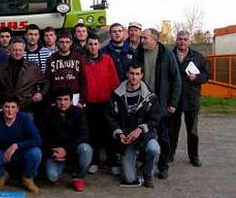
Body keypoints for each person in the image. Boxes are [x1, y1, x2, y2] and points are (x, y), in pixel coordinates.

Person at [136, 28, 181, 179]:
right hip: (142, 103)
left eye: (145, 38)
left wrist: (173, 103)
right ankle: (145, 162)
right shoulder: (138, 53)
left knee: (163, 136)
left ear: (155, 40)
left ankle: (163, 166)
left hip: (160, 103)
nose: (141, 40)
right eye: (142, 38)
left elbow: (176, 80)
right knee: (142, 134)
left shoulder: (167, 55)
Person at [106, 63, 161, 188]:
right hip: (126, 137)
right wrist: (119, 133)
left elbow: (155, 119)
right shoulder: (115, 95)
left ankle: (148, 174)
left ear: (141, 75)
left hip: (144, 134)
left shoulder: (150, 96)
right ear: (126, 74)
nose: (134, 77)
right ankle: (129, 162)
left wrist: (140, 129)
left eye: (137, 74)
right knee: (129, 179)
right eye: (131, 73)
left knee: (154, 148)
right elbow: (110, 118)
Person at [0, 96, 42, 193]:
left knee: (36, 153)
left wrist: (17, 146)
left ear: (17, 109)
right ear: (2, 108)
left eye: (13, 107)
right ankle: (2, 175)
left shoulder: (25, 119)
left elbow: (37, 140)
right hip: (1, 152)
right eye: (7, 107)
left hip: (21, 152)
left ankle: (28, 179)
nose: (10, 110)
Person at [38, 88, 93, 192]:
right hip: (55, 152)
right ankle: (64, 167)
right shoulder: (47, 114)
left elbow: (84, 135)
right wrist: (51, 151)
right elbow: (41, 136)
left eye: (66, 99)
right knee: (52, 176)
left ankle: (78, 177)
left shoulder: (79, 113)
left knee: (86, 149)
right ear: (55, 101)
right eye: (59, 99)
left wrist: (66, 150)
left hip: (73, 149)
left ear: (71, 101)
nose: (62, 102)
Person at [169, 30, 210, 167]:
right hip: (174, 99)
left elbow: (206, 75)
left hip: (191, 98)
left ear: (189, 41)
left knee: (192, 131)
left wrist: (196, 78)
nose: (182, 42)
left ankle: (194, 156)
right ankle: (169, 155)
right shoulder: (169, 56)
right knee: (172, 130)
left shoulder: (198, 57)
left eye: (185, 39)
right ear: (176, 40)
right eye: (180, 39)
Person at [83, 33, 120, 175]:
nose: (93, 47)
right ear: (87, 45)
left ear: (99, 45)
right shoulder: (83, 61)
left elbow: (114, 81)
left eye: (95, 44)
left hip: (106, 102)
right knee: (92, 134)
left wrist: (114, 100)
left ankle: (113, 161)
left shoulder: (107, 59)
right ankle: (94, 161)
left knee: (109, 133)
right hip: (89, 103)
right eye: (90, 44)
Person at [0, 36, 48, 114]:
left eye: (20, 50)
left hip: (27, 108)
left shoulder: (32, 67)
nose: (17, 53)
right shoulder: (0, 69)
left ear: (24, 50)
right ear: (9, 50)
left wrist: (40, 93)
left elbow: (45, 82)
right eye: (14, 50)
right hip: (7, 109)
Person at [44, 31, 86, 104]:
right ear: (57, 43)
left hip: (75, 96)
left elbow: (83, 80)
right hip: (56, 97)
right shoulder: (51, 59)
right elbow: (47, 81)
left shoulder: (78, 58)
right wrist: (51, 100)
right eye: (61, 42)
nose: (64, 45)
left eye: (67, 42)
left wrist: (81, 101)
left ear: (71, 43)